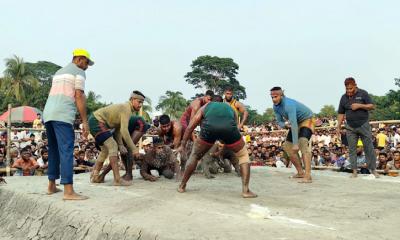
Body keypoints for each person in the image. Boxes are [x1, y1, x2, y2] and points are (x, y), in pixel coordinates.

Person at [177, 95, 257, 198]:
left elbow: (190, 127)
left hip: (208, 130)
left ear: (211, 101)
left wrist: (182, 144)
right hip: (229, 131)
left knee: (195, 156)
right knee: (243, 156)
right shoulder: (230, 108)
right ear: (222, 102)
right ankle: (246, 190)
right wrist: (226, 144)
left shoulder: (205, 106)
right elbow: (234, 127)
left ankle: (182, 186)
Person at [43, 49, 93, 200]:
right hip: (63, 115)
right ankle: (68, 191)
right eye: (86, 62)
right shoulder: (79, 72)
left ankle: (51, 185)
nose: (87, 66)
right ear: (78, 59)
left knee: (53, 150)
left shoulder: (59, 72)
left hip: (48, 113)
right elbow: (79, 95)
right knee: (66, 151)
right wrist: (85, 121)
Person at [89, 91, 145, 185]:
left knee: (105, 150)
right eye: (139, 102)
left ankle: (95, 176)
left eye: (142, 103)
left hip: (96, 120)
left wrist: (121, 144)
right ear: (132, 99)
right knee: (112, 146)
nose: (140, 105)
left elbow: (118, 129)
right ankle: (117, 179)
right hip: (97, 120)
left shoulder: (127, 109)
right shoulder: (126, 108)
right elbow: (124, 131)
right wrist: (134, 149)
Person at [336, 77, 379, 178]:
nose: (349, 91)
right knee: (351, 149)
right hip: (350, 126)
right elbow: (341, 113)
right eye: (347, 89)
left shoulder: (363, 93)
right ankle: (354, 171)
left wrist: (360, 106)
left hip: (363, 124)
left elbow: (372, 106)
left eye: (350, 88)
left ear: (355, 85)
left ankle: (373, 170)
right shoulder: (343, 97)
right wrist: (338, 126)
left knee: (369, 148)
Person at [270, 87, 315, 183]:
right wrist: (285, 125)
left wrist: (295, 144)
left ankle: (308, 175)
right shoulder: (275, 107)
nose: (274, 99)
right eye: (272, 97)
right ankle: (300, 172)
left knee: (302, 142)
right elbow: (280, 122)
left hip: (307, 119)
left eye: (276, 97)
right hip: (296, 123)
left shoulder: (288, 104)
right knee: (287, 146)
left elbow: (294, 124)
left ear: (281, 95)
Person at [95, 115, 149, 182]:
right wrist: (102, 174)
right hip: (130, 127)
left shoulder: (111, 139)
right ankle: (128, 173)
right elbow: (115, 159)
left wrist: (103, 174)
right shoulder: (109, 140)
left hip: (140, 123)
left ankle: (129, 174)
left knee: (128, 147)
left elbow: (115, 159)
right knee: (123, 151)